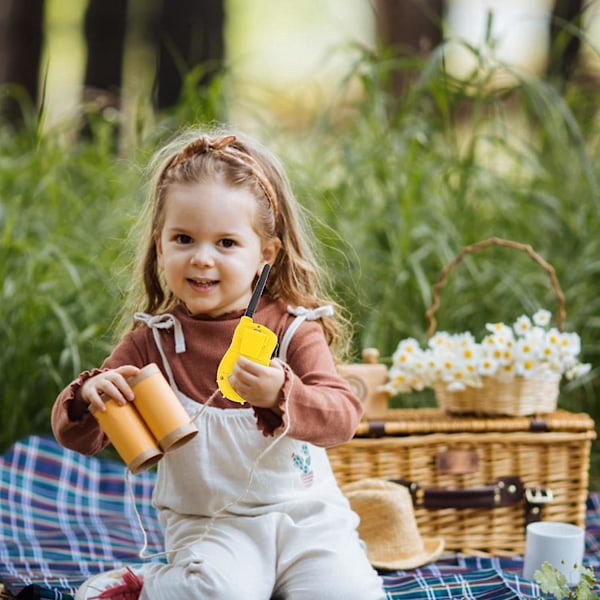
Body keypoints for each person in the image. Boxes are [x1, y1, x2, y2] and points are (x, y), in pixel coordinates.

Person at [51, 127, 387, 600]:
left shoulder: (292, 330)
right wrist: (91, 396)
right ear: (160, 245)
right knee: (215, 592)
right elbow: (81, 437)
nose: (202, 259)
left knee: (350, 594)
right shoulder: (156, 342)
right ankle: (142, 585)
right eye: (184, 238)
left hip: (308, 519)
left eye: (226, 243)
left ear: (264, 255)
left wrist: (279, 394)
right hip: (213, 525)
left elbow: (342, 417)